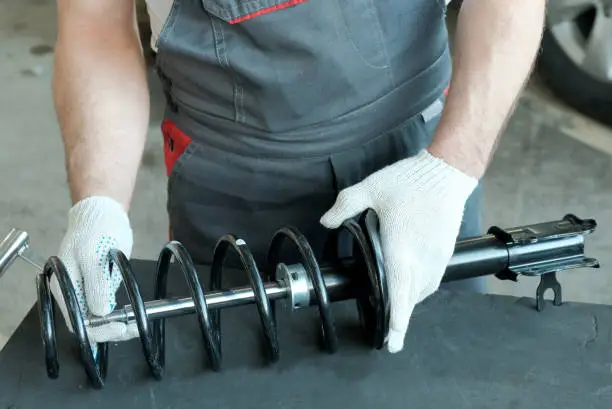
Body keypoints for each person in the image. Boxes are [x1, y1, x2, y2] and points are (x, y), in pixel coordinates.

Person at [50, 0, 546, 354]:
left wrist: (451, 168)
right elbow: (95, 22)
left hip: (419, 166)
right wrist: (98, 203)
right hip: (233, 183)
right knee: (239, 374)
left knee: (440, 369)